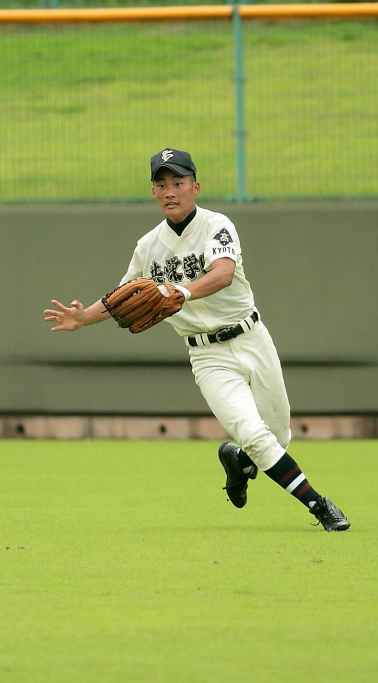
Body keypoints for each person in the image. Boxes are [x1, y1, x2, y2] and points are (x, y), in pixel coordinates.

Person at [43, 148, 350, 532]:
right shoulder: (147, 246)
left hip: (252, 338)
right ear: (153, 193)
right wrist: (84, 317)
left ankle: (237, 462)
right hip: (207, 356)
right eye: (161, 184)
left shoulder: (216, 225)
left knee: (278, 435)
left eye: (178, 182)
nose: (170, 191)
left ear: (195, 186)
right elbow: (124, 297)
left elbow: (222, 274)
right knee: (255, 434)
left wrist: (181, 293)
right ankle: (319, 506)